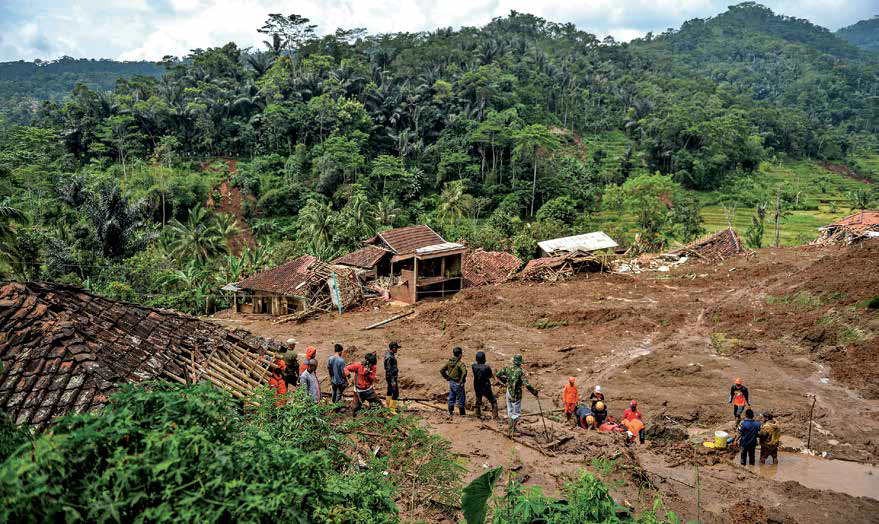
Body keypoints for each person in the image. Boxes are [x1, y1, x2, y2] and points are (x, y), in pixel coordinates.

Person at [496, 355, 539, 436]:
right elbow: (527, 385)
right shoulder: (520, 372)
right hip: (516, 394)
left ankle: (511, 428)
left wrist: (506, 381)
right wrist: (535, 392)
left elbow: (498, 374)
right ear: (520, 363)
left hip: (509, 391)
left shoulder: (507, 368)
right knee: (516, 413)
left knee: (510, 410)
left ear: (513, 361)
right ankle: (512, 430)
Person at [440, 347, 468, 418]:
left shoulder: (449, 362)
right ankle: (462, 414)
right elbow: (464, 372)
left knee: (451, 397)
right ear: (459, 355)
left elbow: (442, 370)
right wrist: (461, 381)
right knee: (461, 399)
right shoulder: (460, 364)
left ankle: (451, 412)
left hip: (451, 382)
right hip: (458, 383)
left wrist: (446, 377)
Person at [472, 351, 498, 420]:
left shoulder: (473, 366)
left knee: (478, 400)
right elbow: (489, 376)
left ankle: (478, 415)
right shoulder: (486, 367)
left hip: (477, 386)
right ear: (484, 359)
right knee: (493, 401)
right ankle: (495, 417)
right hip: (485, 386)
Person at [384, 341, 401, 414]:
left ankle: (388, 406)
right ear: (393, 348)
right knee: (395, 393)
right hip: (391, 377)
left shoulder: (389, 354)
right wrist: (392, 381)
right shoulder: (390, 357)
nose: (397, 349)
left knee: (389, 391)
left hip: (390, 377)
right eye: (396, 348)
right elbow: (388, 370)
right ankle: (392, 409)